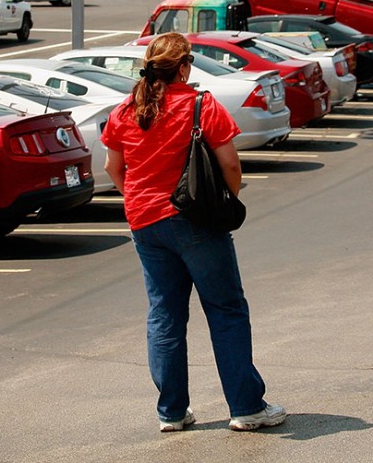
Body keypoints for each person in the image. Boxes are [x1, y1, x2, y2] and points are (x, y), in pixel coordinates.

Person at [101, 32, 285, 434]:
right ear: (183, 68)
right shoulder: (201, 105)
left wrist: (139, 198)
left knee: (165, 314)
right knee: (226, 310)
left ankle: (172, 412)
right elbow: (230, 166)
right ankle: (246, 407)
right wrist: (224, 204)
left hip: (145, 224)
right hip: (196, 221)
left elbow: (114, 169)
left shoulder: (125, 111)